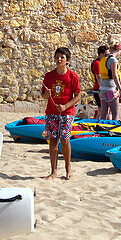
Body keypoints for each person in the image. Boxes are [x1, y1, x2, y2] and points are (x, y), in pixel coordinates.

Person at [41, 47, 81, 180]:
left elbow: (78, 96)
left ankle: (68, 167)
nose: (59, 59)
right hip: (51, 112)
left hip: (67, 113)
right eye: (57, 57)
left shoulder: (72, 76)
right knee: (53, 141)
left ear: (67, 60)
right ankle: (53, 171)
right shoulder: (49, 76)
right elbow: (43, 95)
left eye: (62, 57)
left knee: (65, 140)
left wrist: (65, 106)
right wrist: (46, 94)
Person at [95, 42, 121, 121]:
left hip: (102, 89)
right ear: (118, 49)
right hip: (111, 89)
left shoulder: (103, 59)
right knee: (115, 115)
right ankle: (113, 132)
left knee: (104, 115)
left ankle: (101, 132)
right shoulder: (113, 60)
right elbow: (115, 76)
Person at [89, 45, 107, 118]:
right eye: (106, 54)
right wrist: (103, 89)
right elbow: (99, 77)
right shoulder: (97, 63)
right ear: (101, 54)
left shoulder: (101, 62)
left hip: (100, 88)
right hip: (99, 89)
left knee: (102, 109)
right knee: (101, 109)